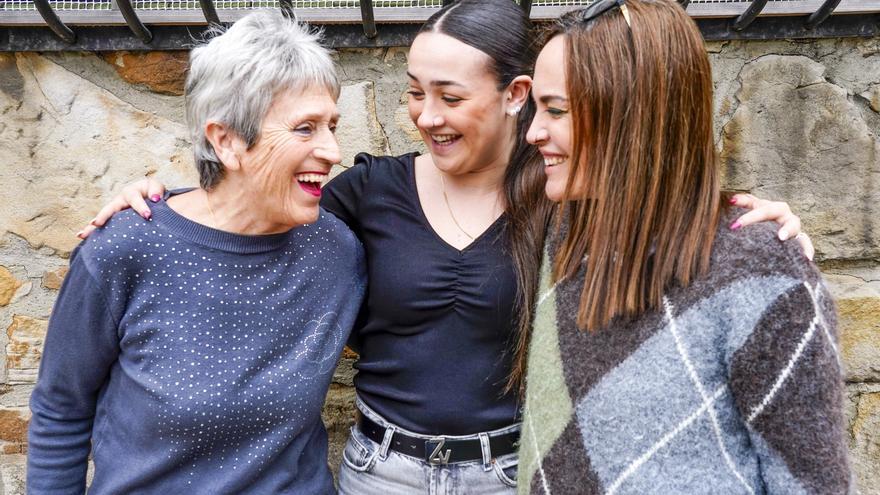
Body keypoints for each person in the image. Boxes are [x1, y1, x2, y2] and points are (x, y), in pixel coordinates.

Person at [76, 1, 809, 493]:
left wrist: (755, 218)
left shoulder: (562, 199)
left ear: (516, 94)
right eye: (413, 92)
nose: (426, 115)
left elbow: (657, 210)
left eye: (450, 96)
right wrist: (160, 201)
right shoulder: (363, 197)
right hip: (379, 470)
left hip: (510, 470)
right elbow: (252, 206)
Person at [518, 1, 850, 493]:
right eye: (535, 108)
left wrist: (773, 259)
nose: (532, 132)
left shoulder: (760, 269)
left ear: (634, 113)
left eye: (556, 110)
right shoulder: (567, 230)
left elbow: (813, 482)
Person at [27, 11, 365, 494]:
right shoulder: (126, 247)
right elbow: (61, 412)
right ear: (225, 140)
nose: (333, 150)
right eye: (306, 128)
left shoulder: (335, 251)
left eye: (332, 124)